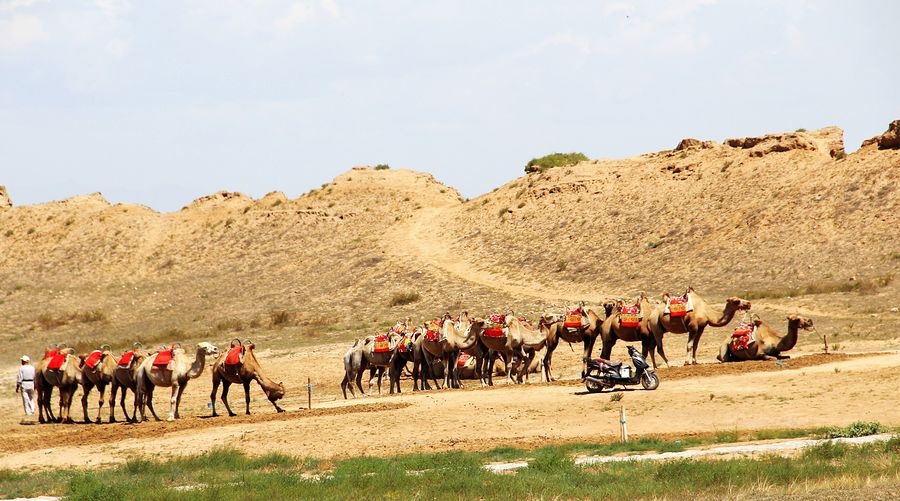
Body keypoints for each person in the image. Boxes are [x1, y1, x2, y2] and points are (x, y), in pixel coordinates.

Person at [15, 355, 36, 423]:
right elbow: (34, 376)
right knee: (31, 397)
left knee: (25, 398)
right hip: (31, 383)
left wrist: (17, 386)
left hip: (24, 383)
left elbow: (19, 378)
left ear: (24, 361)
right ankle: (32, 408)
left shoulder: (21, 368)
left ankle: (28, 412)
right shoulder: (32, 367)